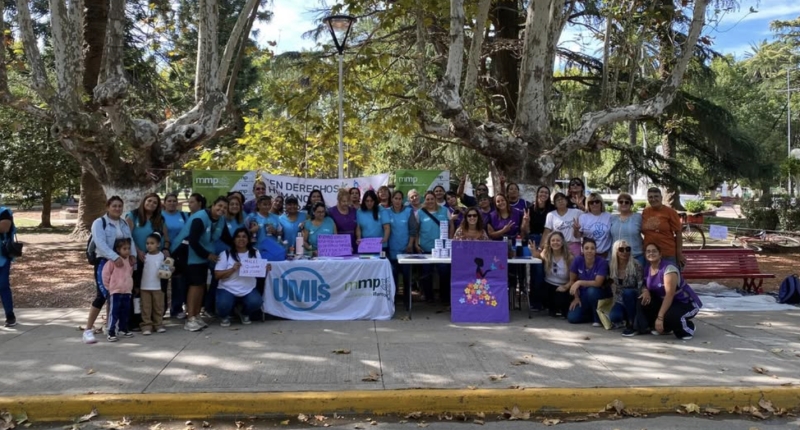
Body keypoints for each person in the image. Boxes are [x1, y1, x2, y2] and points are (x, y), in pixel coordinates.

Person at [82, 196, 137, 344]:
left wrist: (132, 256)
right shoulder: (100, 223)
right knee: (102, 294)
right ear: (108, 207)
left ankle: (110, 326)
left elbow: (129, 241)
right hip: (105, 261)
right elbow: (100, 243)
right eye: (114, 206)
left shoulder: (124, 223)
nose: (117, 209)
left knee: (115, 295)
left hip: (122, 263)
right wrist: (114, 257)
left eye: (120, 206)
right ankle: (88, 329)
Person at [170, 196, 228, 332]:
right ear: (212, 205)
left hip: (201, 255)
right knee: (195, 285)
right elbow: (193, 241)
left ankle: (196, 315)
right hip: (187, 254)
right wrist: (208, 255)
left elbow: (226, 237)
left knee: (201, 285)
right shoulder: (200, 218)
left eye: (225, 208)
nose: (222, 209)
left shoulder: (220, 220)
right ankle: (190, 318)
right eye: (219, 206)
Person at [631, 243, 702, 339]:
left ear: (660, 254)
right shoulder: (648, 267)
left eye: (654, 251)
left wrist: (660, 318)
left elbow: (670, 295)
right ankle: (662, 328)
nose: (651, 253)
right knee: (643, 300)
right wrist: (645, 291)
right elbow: (644, 284)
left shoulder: (669, 269)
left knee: (671, 317)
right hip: (668, 303)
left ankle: (688, 328)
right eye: (648, 251)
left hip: (684, 302)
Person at [215, 227, 268, 327]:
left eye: (244, 237)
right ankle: (225, 316)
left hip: (248, 288)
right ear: (234, 239)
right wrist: (232, 269)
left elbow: (260, 272)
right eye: (238, 237)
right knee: (223, 305)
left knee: (256, 302)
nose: (241, 239)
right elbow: (217, 275)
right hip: (227, 288)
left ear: (248, 239)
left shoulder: (255, 252)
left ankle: (244, 313)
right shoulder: (225, 254)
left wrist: (265, 268)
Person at [554, 238, 610, 325]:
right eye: (586, 248)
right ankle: (590, 315)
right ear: (582, 250)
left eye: (592, 248)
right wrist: (576, 298)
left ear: (596, 250)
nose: (589, 251)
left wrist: (579, 282)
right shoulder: (577, 260)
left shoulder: (601, 262)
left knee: (591, 291)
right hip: (583, 294)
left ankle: (597, 318)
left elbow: (598, 283)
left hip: (599, 293)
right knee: (572, 318)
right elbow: (572, 280)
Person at [416, 191, 452, 303]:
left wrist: (450, 240)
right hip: (426, 248)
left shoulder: (445, 211)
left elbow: (452, 226)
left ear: (435, 199)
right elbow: (416, 230)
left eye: (432, 199)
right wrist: (416, 244)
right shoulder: (419, 213)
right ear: (424, 200)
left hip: (442, 249)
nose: (430, 201)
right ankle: (429, 297)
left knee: (444, 272)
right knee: (426, 273)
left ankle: (445, 297)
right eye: (427, 199)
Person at [387, 190, 417, 310]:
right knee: (392, 278)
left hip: (406, 250)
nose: (398, 201)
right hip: (392, 250)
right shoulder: (387, 212)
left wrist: (410, 245)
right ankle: (392, 302)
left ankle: (407, 302)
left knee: (406, 278)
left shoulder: (409, 211)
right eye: (395, 198)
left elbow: (413, 230)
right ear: (392, 199)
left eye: (400, 199)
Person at [530, 232, 573, 317]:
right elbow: (539, 257)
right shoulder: (546, 253)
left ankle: (560, 308)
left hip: (563, 286)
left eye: (558, 240)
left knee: (561, 300)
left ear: (562, 242)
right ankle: (551, 308)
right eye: (553, 240)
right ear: (549, 243)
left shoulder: (569, 258)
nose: (555, 242)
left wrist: (565, 287)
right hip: (548, 285)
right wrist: (534, 252)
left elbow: (574, 279)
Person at [526, 185, 554, 311]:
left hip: (548, 241)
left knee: (546, 271)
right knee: (536, 271)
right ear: (537, 194)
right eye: (541, 192)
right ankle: (535, 302)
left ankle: (547, 301)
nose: (543, 194)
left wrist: (543, 245)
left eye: (546, 193)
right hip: (533, 241)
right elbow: (525, 231)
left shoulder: (552, 209)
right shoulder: (530, 209)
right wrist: (525, 221)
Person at [102, 238, 135, 342]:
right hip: (115, 291)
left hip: (126, 291)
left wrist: (129, 286)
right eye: (124, 249)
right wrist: (109, 287)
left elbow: (130, 274)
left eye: (129, 248)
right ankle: (111, 331)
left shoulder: (130, 261)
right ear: (118, 249)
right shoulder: (112, 261)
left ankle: (123, 328)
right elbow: (105, 275)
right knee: (114, 311)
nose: (127, 251)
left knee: (125, 311)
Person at [607, 239, 643, 335]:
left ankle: (631, 324)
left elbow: (640, 284)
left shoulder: (636, 264)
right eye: (621, 249)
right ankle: (627, 317)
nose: (625, 252)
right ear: (615, 251)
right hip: (620, 300)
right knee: (614, 317)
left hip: (634, 298)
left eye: (627, 249)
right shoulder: (611, 266)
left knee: (628, 292)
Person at [641, 187, 684, 266]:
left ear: (661, 197)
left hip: (667, 253)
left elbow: (678, 233)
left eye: (656, 196)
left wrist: (679, 254)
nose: (653, 199)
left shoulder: (670, 212)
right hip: (650, 254)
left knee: (669, 277)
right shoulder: (645, 212)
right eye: (650, 197)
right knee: (652, 278)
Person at [162, 193, 189, 318]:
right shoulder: (160, 216)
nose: (172, 203)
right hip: (165, 253)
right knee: (162, 280)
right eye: (169, 201)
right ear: (165, 203)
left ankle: (176, 309)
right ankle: (160, 310)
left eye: (174, 201)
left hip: (180, 254)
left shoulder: (183, 215)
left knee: (178, 281)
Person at [139, 233, 168, 335]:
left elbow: (166, 271)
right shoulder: (144, 257)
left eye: (152, 243)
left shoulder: (162, 257)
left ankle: (158, 324)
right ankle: (146, 325)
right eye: (147, 243)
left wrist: (170, 269)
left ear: (158, 244)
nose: (149, 245)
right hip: (145, 286)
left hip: (158, 287)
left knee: (158, 306)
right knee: (146, 307)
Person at [543, 192, 583, 257]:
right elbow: (546, 232)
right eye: (558, 200)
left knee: (574, 266)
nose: (560, 201)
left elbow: (589, 215)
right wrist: (543, 247)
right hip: (558, 246)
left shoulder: (577, 212)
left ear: (566, 201)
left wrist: (581, 206)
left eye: (562, 199)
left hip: (574, 245)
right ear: (555, 204)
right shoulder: (551, 215)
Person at [610, 192, 644, 267]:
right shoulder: (612, 218)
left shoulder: (638, 217)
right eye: (621, 202)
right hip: (617, 257)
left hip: (636, 256)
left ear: (631, 204)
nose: (623, 204)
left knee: (638, 278)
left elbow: (646, 233)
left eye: (626, 202)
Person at [574, 192, 612, 257]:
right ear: (588, 205)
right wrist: (576, 229)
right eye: (591, 202)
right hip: (588, 255)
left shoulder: (609, 216)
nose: (594, 204)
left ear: (601, 203)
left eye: (597, 202)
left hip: (605, 254)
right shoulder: (583, 217)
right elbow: (577, 236)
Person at [0, 205, 18, 327]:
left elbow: (4, 228)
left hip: (2, 256)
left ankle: (10, 315)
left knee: (3, 285)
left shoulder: (4, 212)